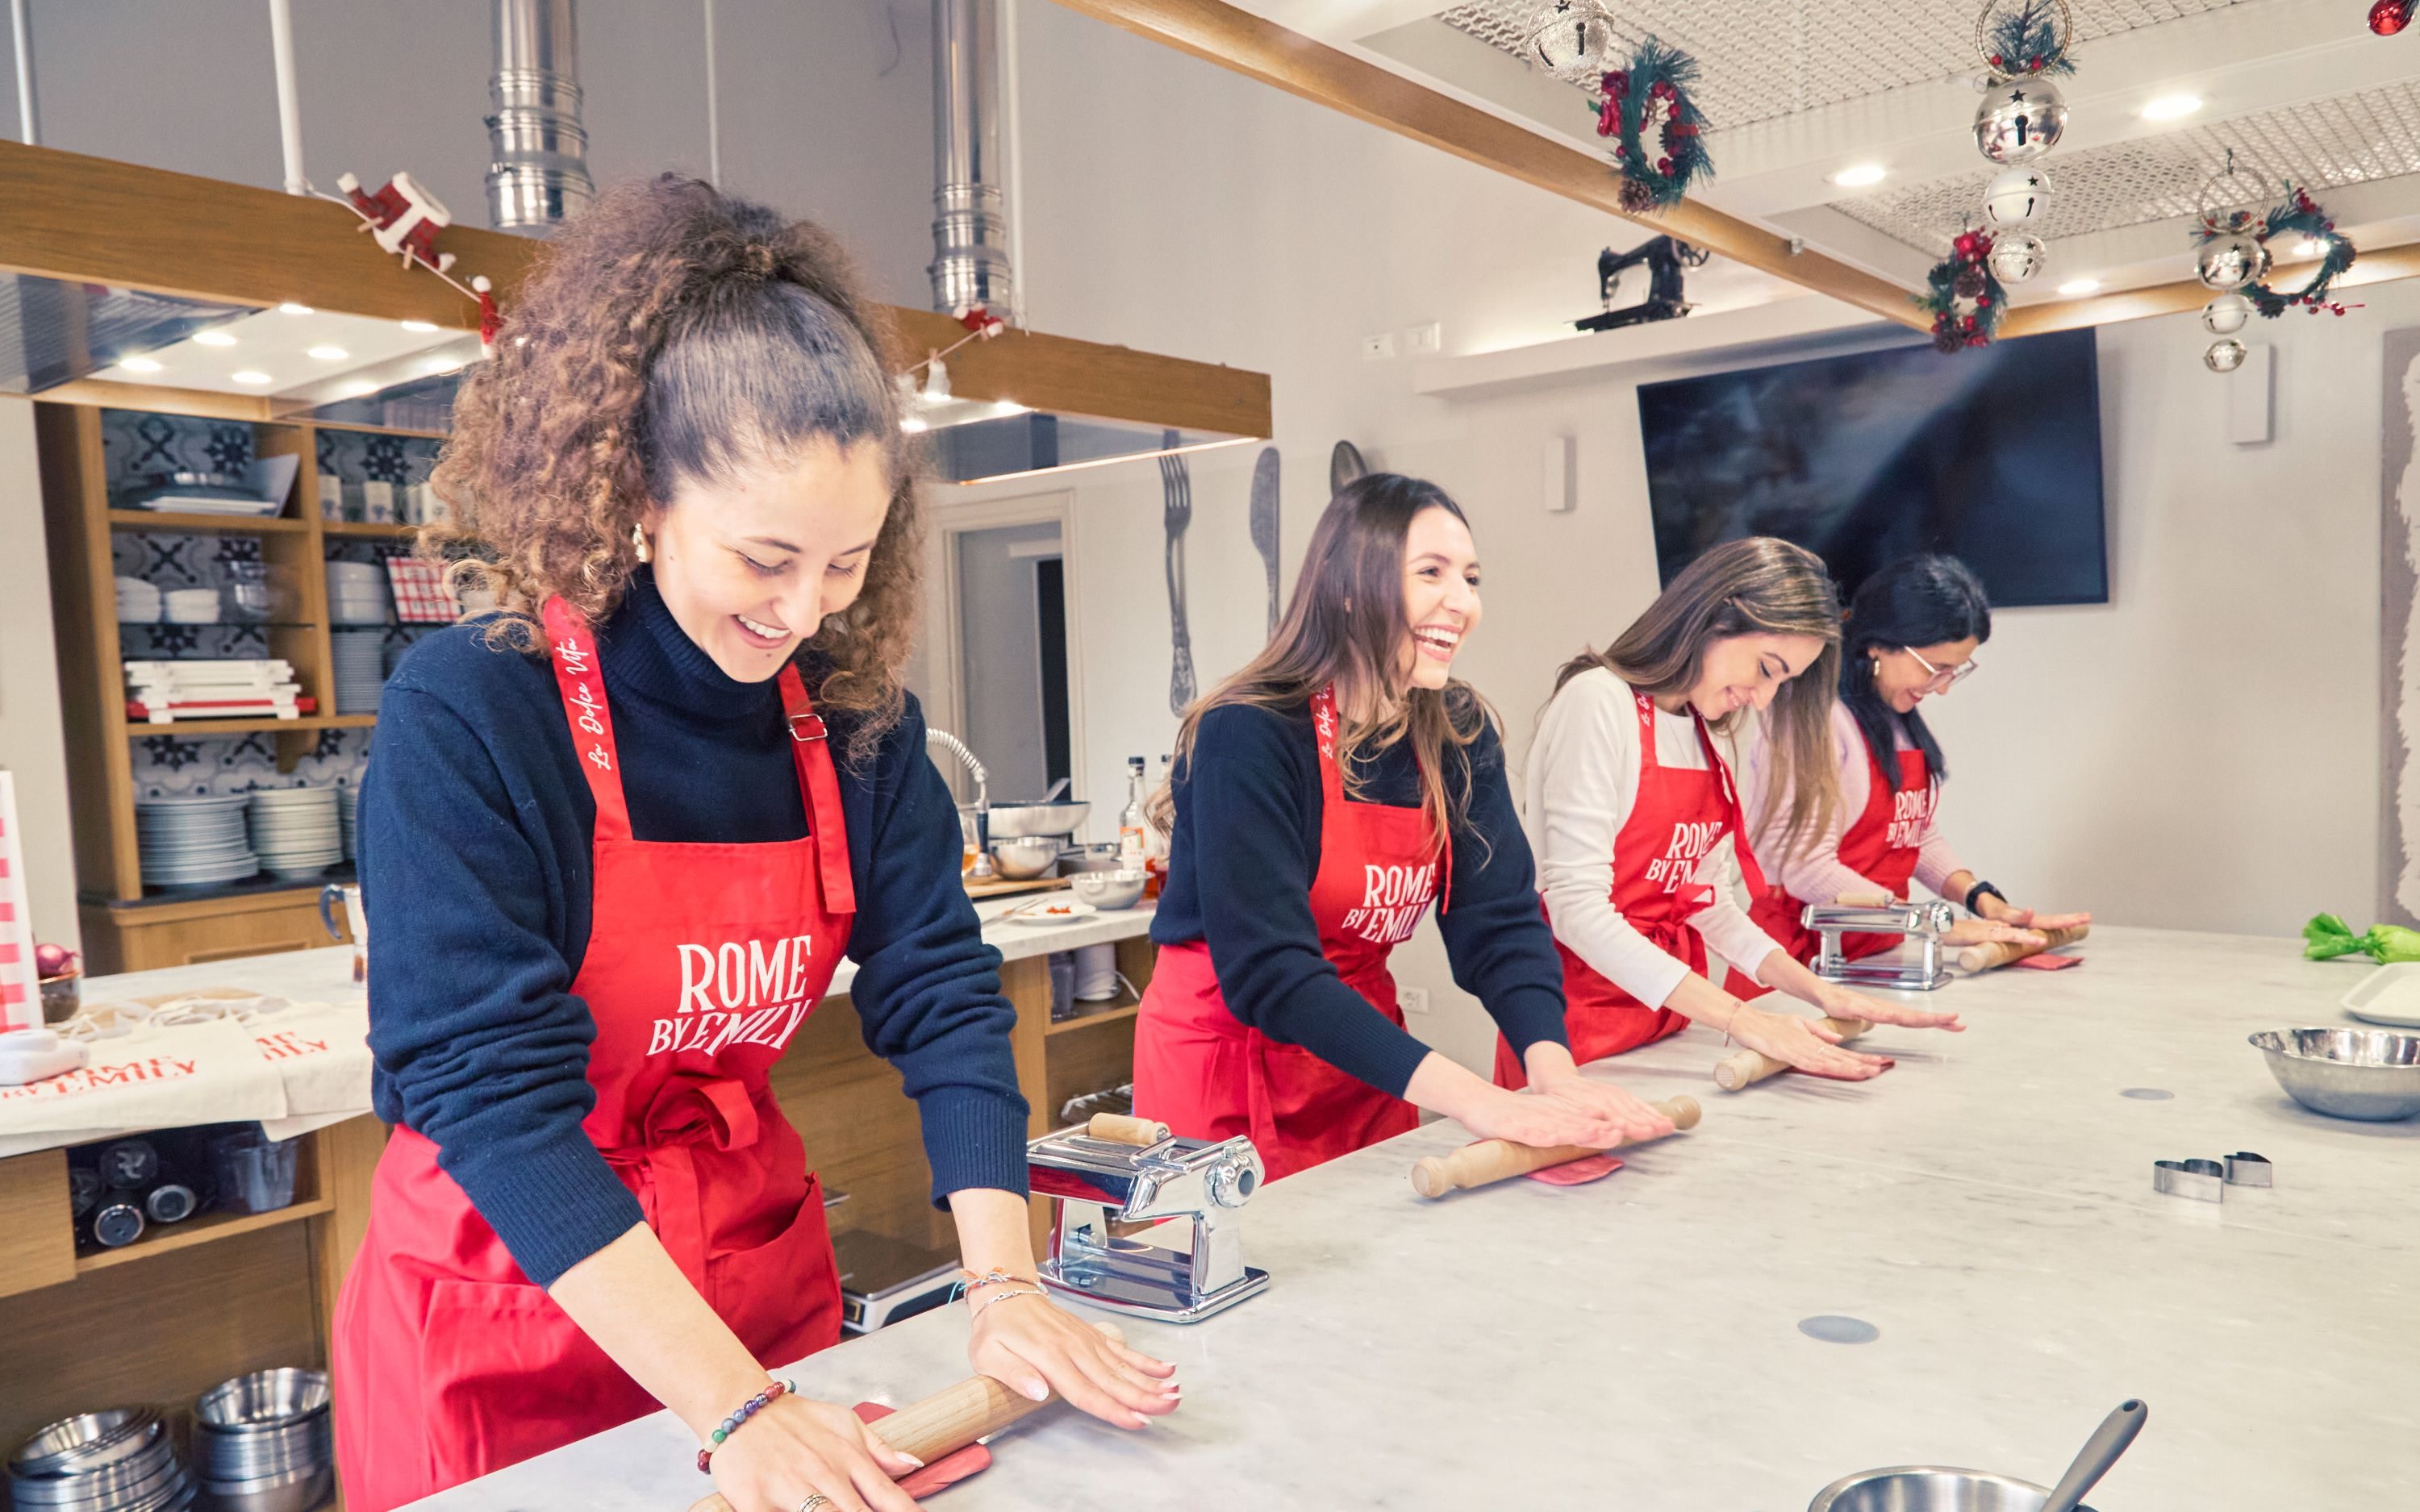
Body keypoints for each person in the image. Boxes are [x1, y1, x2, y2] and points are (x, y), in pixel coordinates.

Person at [332, 177, 1172, 1512]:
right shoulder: (476, 710)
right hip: (509, 1317)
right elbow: (488, 1095)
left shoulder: (857, 726)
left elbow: (946, 997)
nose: (803, 611)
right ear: (639, 494)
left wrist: (1005, 1285)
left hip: (753, 1284)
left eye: (846, 562)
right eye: (766, 557)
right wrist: (734, 1405)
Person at [1131, 474, 1675, 1181]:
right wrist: (1480, 1102)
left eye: (1471, 578)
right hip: (1228, 1064)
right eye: (1431, 573)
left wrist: (1554, 1072)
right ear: (1348, 586)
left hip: (1362, 1062)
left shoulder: (1457, 730)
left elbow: (1500, 924)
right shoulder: (1250, 731)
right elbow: (1271, 971)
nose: (1463, 602)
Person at [1505, 538, 1963, 1088]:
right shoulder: (1598, 703)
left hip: (1667, 1023)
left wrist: (1821, 991)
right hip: (1571, 1026)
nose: (1763, 699)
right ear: (1716, 616)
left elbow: (1711, 904)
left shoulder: (1709, 733)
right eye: (1766, 668)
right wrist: (1741, 1018)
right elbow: (1577, 910)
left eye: (1782, 682)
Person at [1740, 553, 2087, 970]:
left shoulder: (1893, 716)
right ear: (1878, 644)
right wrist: (1935, 924)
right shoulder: (1813, 720)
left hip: (1874, 949)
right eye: (1935, 669)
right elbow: (1806, 870)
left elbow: (1912, 835)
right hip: (1795, 958)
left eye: (1954, 672)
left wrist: (1981, 899)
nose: (1941, 689)